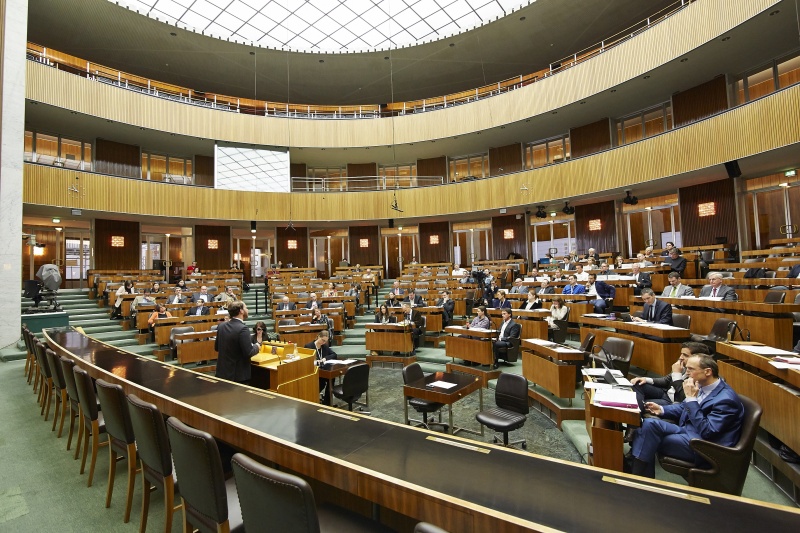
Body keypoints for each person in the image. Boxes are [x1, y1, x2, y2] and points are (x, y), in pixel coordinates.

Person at [628, 354, 744, 478]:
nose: (686, 372)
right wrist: (661, 409)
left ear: (707, 371)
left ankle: (636, 477)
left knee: (648, 436)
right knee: (648, 424)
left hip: (704, 445)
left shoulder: (726, 400)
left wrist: (691, 399)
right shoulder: (702, 385)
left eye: (690, 369)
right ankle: (640, 477)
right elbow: (683, 407)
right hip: (689, 431)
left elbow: (708, 431)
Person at [630, 342, 710, 408]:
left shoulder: (700, 375)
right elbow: (666, 380)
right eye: (681, 354)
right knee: (638, 383)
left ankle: (636, 416)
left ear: (697, 358)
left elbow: (684, 397)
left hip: (673, 401)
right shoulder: (683, 365)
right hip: (666, 393)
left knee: (637, 403)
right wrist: (645, 379)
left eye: (685, 355)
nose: (680, 358)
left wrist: (677, 374)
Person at [215, 301, 260, 384]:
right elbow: (248, 352)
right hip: (238, 376)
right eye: (246, 308)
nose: (247, 310)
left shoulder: (221, 326)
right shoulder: (243, 329)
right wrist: (257, 346)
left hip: (222, 374)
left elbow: (217, 348)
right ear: (241, 311)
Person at [305, 330, 338, 404]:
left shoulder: (324, 347)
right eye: (323, 340)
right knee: (322, 382)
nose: (323, 342)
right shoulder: (309, 346)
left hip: (323, 370)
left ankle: (327, 401)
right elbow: (307, 361)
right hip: (313, 371)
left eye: (325, 341)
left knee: (331, 378)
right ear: (318, 336)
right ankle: (312, 396)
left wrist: (325, 358)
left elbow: (334, 354)